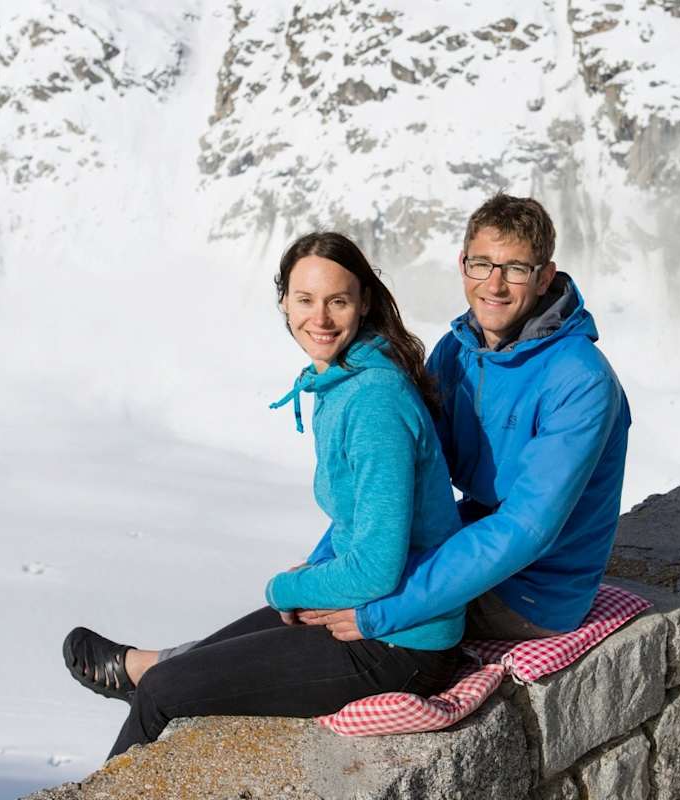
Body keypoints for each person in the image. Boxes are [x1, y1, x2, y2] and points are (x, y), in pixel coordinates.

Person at [62, 232, 465, 759]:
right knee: (202, 659)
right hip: (377, 616)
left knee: (164, 694)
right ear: (284, 302)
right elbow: (359, 522)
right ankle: (146, 664)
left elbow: (376, 569)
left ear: (364, 302)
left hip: (399, 644)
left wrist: (283, 588)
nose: (319, 318)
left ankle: (148, 681)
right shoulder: (343, 377)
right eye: (305, 300)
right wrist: (312, 579)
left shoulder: (373, 403)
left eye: (337, 301)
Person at [298, 194, 632, 644]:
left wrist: (388, 610)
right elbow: (394, 478)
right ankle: (183, 661)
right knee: (317, 597)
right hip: (468, 545)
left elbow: (524, 529)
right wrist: (327, 563)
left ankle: (183, 674)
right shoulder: (456, 351)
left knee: (329, 627)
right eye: (482, 264)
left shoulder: (580, 380)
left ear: (544, 277)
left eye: (515, 269)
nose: (494, 285)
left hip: (535, 595)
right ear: (462, 265)